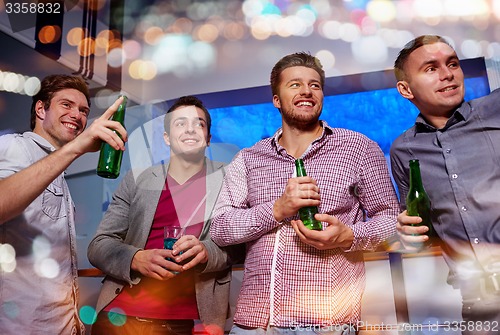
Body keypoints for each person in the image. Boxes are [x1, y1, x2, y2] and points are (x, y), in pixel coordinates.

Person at [210, 52, 399, 334]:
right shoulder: (249, 158)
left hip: (326, 323)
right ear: (276, 100)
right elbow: (221, 227)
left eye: (315, 85)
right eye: (295, 84)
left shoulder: (358, 148)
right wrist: (277, 210)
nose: (307, 91)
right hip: (254, 324)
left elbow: (392, 220)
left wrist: (348, 236)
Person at [87, 96, 243, 335]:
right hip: (119, 317)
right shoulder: (137, 179)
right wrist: (135, 258)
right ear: (167, 138)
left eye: (199, 123)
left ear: (209, 138)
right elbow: (98, 245)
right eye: (180, 123)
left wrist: (206, 252)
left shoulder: (230, 177)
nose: (190, 128)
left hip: (188, 324)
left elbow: (242, 246)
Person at [0, 74, 127, 334]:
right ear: (40, 108)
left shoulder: (57, 170)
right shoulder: (15, 146)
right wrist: (76, 148)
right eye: (66, 105)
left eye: (83, 110)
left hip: (62, 325)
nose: (77, 115)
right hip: (22, 325)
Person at [390, 35, 500, 334]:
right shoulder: (404, 150)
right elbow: (422, 230)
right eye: (431, 68)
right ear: (405, 89)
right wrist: (407, 233)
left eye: (452, 64)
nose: (447, 73)